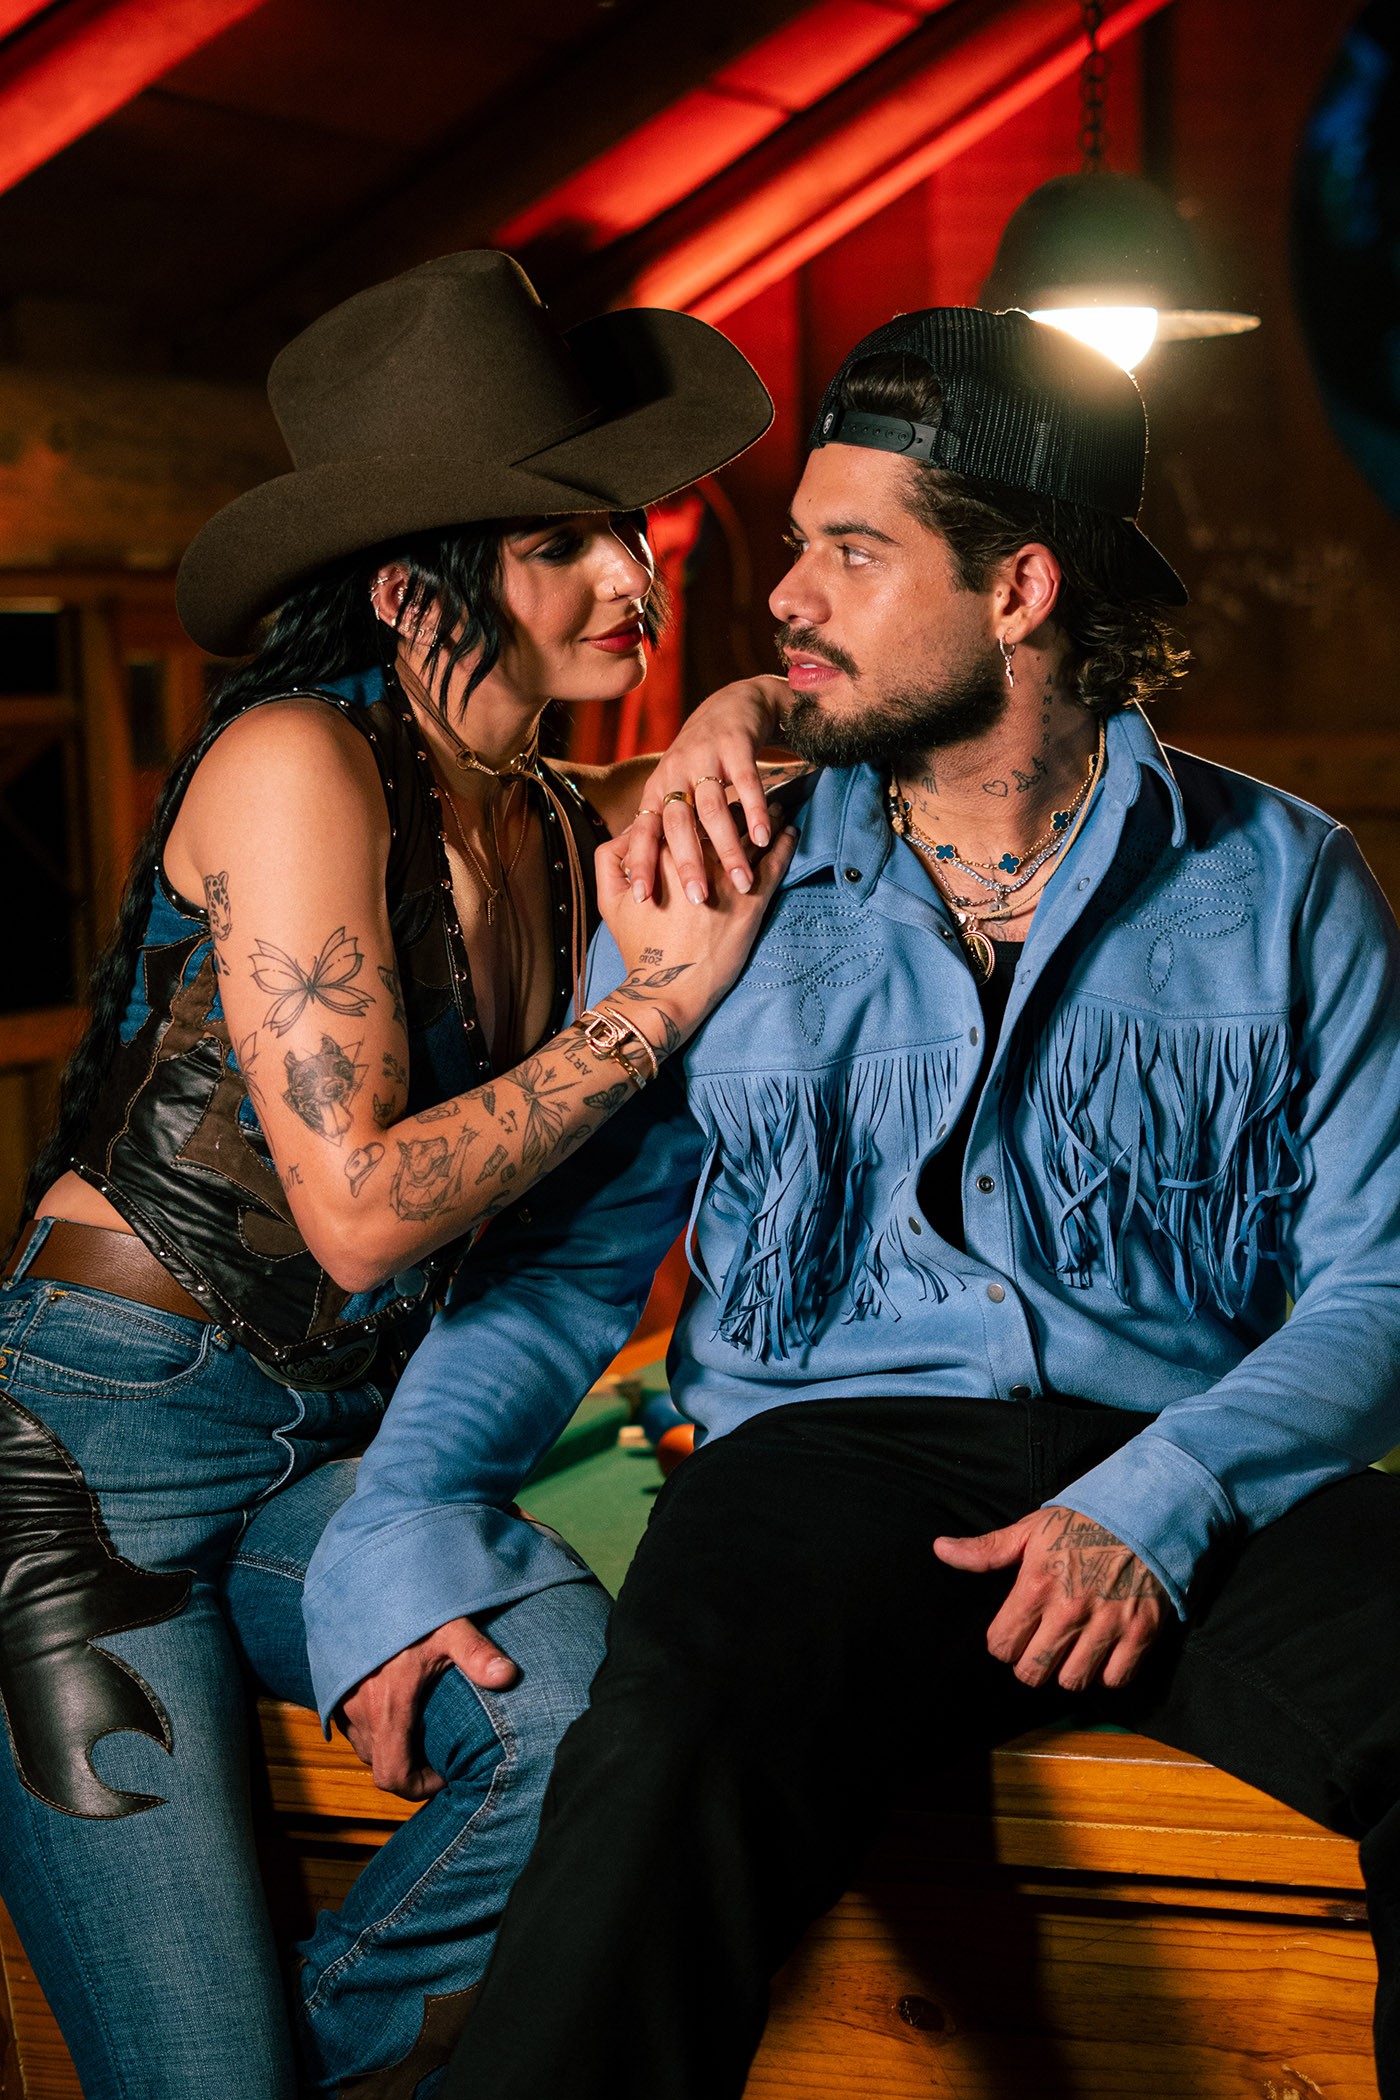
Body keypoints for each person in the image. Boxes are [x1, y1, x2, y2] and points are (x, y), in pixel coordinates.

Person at [302, 304, 1400, 2100]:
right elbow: (568, 1267)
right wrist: (401, 1521)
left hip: (1186, 1464)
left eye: (850, 552)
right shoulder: (716, 864)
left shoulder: (1285, 878)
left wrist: (1169, 1495)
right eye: (800, 544)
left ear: (1020, 590)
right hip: (821, 1475)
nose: (785, 596)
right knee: (662, 1750)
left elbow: (1381, 1285)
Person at [0, 247, 798, 2100]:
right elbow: (358, 1210)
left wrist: (742, 713)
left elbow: (802, 744)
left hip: (336, 1459)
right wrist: (648, 1014)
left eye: (625, 526)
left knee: (591, 1727)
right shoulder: (298, 762)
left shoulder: (553, 813)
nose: (631, 574)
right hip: (88, 1464)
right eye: (559, 544)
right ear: (406, 585)